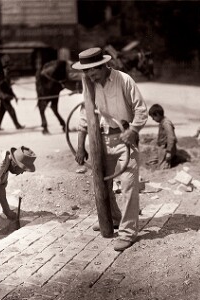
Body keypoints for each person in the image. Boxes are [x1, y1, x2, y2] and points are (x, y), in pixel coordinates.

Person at [72, 47, 148, 251]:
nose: (89, 74)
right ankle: (113, 218)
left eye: (93, 70)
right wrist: (81, 145)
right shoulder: (88, 83)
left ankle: (128, 232)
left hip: (125, 139)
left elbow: (141, 109)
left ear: (104, 65)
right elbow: (84, 114)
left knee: (129, 185)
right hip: (101, 140)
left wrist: (132, 130)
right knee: (102, 184)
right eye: (86, 71)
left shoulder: (124, 80)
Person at [0, 142, 36, 228]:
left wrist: (7, 211)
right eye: (23, 169)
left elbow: (0, 187)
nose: (22, 173)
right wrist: (1, 221)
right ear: (15, 165)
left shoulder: (6, 160)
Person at [0, 62, 25, 131]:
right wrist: (8, 84)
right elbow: (2, 85)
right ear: (3, 69)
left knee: (1, 111)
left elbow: (9, 88)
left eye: (9, 69)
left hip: (5, 96)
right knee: (11, 110)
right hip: (3, 96)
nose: (8, 70)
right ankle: (17, 125)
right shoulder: (1, 76)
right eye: (7, 69)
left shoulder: (7, 76)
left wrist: (14, 96)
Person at [148, 104, 177, 169]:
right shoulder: (162, 122)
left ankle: (174, 159)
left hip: (166, 148)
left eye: (153, 117)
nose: (153, 119)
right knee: (151, 161)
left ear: (157, 114)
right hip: (161, 147)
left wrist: (169, 152)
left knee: (163, 167)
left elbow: (171, 137)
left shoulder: (166, 123)